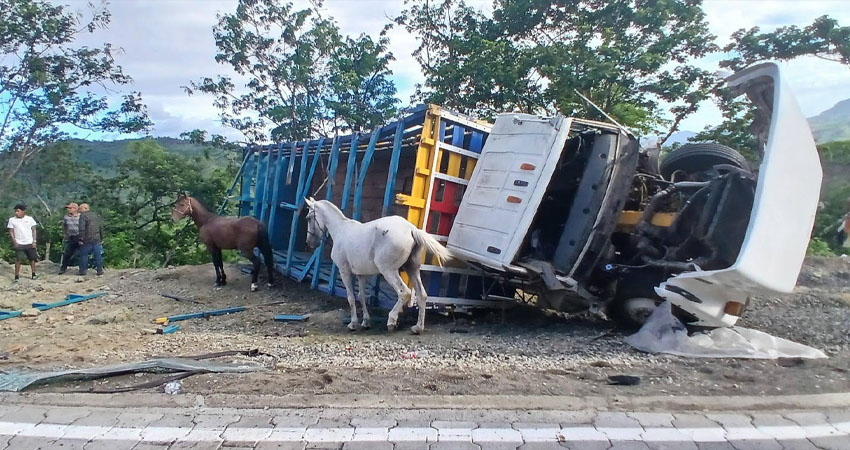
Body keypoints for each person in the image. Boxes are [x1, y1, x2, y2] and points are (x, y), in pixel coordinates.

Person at [7, 203, 39, 282]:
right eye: (15, 211)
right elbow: (11, 231)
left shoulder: (30, 219)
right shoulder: (12, 220)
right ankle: (16, 276)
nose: (16, 213)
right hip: (19, 243)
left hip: (29, 242)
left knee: (32, 259)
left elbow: (34, 230)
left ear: (23, 211)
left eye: (18, 211)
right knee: (18, 259)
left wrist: (34, 241)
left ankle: (33, 274)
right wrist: (14, 241)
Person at [77, 203, 104, 276]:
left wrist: (81, 239)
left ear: (85, 208)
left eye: (80, 208)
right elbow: (100, 227)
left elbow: (81, 228)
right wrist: (102, 237)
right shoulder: (96, 215)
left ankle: (82, 271)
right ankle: (100, 270)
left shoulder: (83, 216)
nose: (79, 210)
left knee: (84, 255)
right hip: (96, 238)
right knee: (98, 255)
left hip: (86, 239)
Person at [59, 202, 81, 275]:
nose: (68, 209)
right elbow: (64, 226)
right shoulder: (66, 217)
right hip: (71, 237)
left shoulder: (81, 217)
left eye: (70, 208)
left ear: (75, 209)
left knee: (82, 253)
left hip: (80, 236)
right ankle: (63, 268)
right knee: (67, 253)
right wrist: (66, 234)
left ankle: (82, 269)